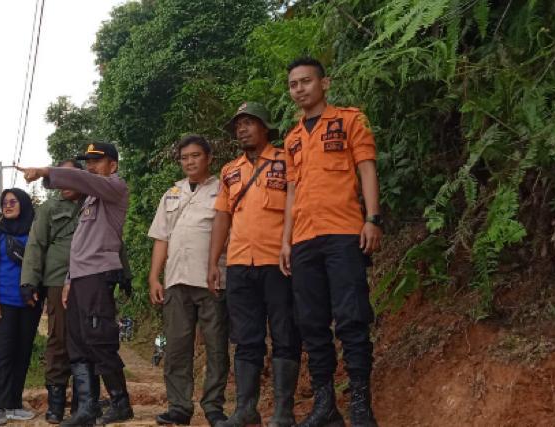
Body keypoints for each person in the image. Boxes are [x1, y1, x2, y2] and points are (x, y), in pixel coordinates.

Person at [281, 57, 381, 427]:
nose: (300, 89)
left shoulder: (350, 120)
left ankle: (360, 403)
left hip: (344, 233)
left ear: (325, 83)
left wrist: (372, 218)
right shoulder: (291, 138)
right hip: (304, 239)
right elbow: (292, 191)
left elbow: (367, 168)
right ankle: (325, 404)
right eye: (293, 84)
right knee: (311, 323)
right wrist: (286, 241)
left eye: (306, 81)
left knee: (352, 318)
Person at [18, 142, 133, 427]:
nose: (92, 166)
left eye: (98, 160)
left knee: (99, 338)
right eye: (89, 161)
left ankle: (121, 403)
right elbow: (79, 246)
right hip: (80, 278)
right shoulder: (90, 202)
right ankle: (87, 409)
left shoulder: (114, 188)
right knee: (78, 343)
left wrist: (45, 170)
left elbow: (84, 179)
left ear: (113, 165)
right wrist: (69, 279)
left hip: (98, 275)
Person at [207, 102, 302, 427]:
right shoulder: (229, 171)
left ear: (265, 127)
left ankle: (283, 412)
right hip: (238, 265)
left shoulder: (286, 159)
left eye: (249, 123)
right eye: (238, 125)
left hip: (278, 262)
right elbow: (222, 217)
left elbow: (296, 206)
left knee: (285, 333)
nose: (242, 129)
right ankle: (246, 409)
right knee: (246, 338)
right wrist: (213, 262)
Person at [147, 135, 229, 426]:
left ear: (208, 157)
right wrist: (154, 277)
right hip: (176, 280)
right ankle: (179, 407)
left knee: (216, 346)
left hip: (212, 280)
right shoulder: (172, 193)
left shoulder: (222, 188)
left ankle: (214, 407)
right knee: (177, 347)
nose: (190, 162)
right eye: (184, 157)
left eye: (195, 156)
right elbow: (161, 238)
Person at [20, 160, 84, 424]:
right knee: (59, 339)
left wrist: (122, 272)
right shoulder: (48, 208)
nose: (66, 182)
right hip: (57, 280)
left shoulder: (95, 202)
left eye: (72, 176)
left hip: (91, 279)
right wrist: (29, 282)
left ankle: (83, 402)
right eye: (61, 177)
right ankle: (56, 402)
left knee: (88, 339)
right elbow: (35, 245)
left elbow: (111, 236)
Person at [0, 188, 42, 427]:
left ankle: (14, 404)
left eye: (13, 201)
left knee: (22, 352)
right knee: (2, 353)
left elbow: (42, 264)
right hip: (2, 302)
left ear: (23, 204)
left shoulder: (35, 230)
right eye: (5, 202)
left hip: (29, 303)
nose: (8, 205)